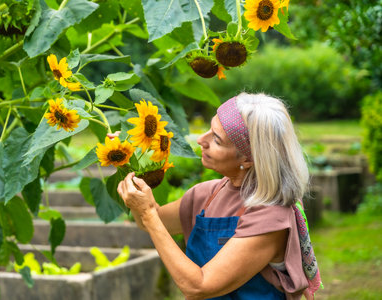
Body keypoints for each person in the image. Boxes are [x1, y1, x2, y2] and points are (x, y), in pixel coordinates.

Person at [116, 93, 322, 300]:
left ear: (248, 158)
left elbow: (200, 286)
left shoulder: (270, 215)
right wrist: (125, 160)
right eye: (209, 129)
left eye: (216, 139)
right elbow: (153, 221)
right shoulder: (206, 195)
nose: (201, 140)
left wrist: (149, 214)